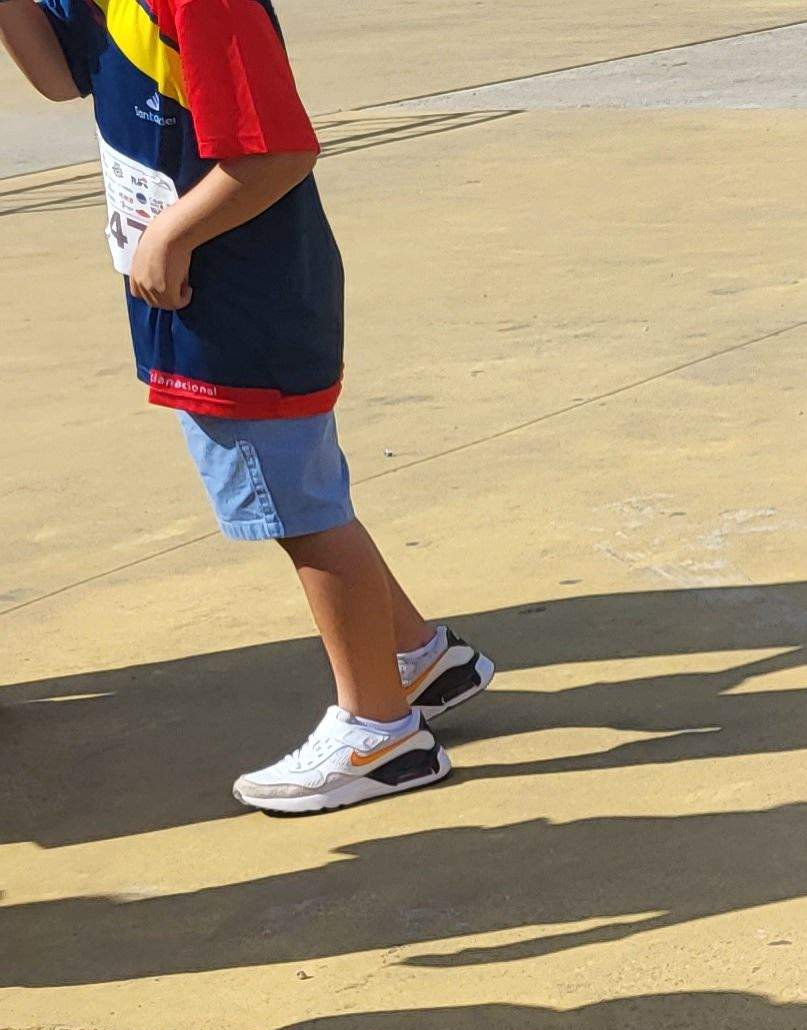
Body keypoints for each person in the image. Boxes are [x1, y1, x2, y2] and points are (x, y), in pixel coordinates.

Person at [4, 0, 493, 815]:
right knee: (299, 486)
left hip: (244, 289)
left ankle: (382, 734)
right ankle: (415, 656)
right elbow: (61, 78)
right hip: (193, 283)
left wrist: (171, 237)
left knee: (297, 507)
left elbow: (280, 150)